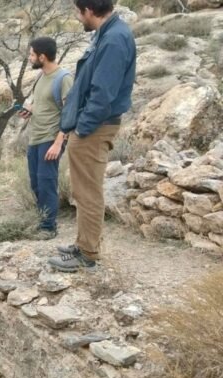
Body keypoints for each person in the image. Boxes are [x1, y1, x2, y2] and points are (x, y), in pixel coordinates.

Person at [48, 0, 136, 272]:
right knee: (83, 190)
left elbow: (102, 94)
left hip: (95, 127)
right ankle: (84, 243)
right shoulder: (109, 34)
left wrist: (82, 127)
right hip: (93, 125)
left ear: (88, 10)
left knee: (87, 193)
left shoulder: (114, 39)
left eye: (78, 11)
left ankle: (87, 254)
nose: (77, 17)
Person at [17, 37, 74, 241]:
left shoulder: (64, 78)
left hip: (51, 138)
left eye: (32, 54)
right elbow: (42, 103)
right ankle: (42, 219)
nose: (30, 58)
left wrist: (59, 143)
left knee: (47, 182)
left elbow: (69, 113)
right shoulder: (41, 76)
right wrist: (28, 110)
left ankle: (48, 227)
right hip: (35, 138)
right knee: (36, 183)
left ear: (42, 56)